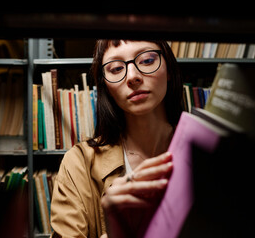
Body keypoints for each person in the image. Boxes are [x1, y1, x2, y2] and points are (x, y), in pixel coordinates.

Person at [50, 39, 183, 238]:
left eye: (147, 60)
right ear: (106, 87)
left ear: (170, 69)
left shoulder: (204, 151)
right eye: (116, 69)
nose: (133, 76)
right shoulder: (79, 163)